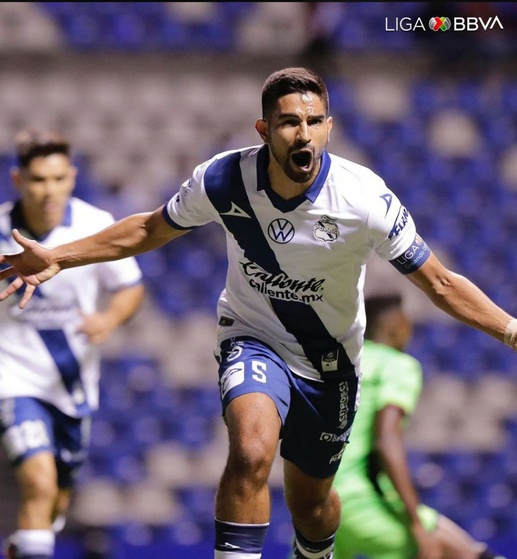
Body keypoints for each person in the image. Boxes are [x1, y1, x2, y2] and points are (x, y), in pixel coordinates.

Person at [0, 68, 515, 559]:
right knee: (251, 448)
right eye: (290, 122)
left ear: (329, 128)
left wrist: (511, 330)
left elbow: (441, 283)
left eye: (315, 122)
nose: (304, 134)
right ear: (265, 129)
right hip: (253, 336)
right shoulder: (224, 179)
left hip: (330, 360)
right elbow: (148, 229)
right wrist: (60, 256)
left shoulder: (365, 200)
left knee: (311, 506)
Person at [0, 129, 145, 559]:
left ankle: (20, 547)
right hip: (14, 380)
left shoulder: (94, 225)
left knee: (56, 502)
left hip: (73, 385)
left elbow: (130, 287)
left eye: (59, 179)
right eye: (39, 180)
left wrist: (109, 318)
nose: (49, 190)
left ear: (72, 177)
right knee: (39, 483)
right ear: (18, 180)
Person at [332, 294, 506, 559]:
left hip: (313, 496)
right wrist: (415, 520)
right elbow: (386, 441)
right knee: (455, 553)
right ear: (398, 324)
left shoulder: (341, 363)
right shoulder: (398, 366)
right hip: (360, 500)